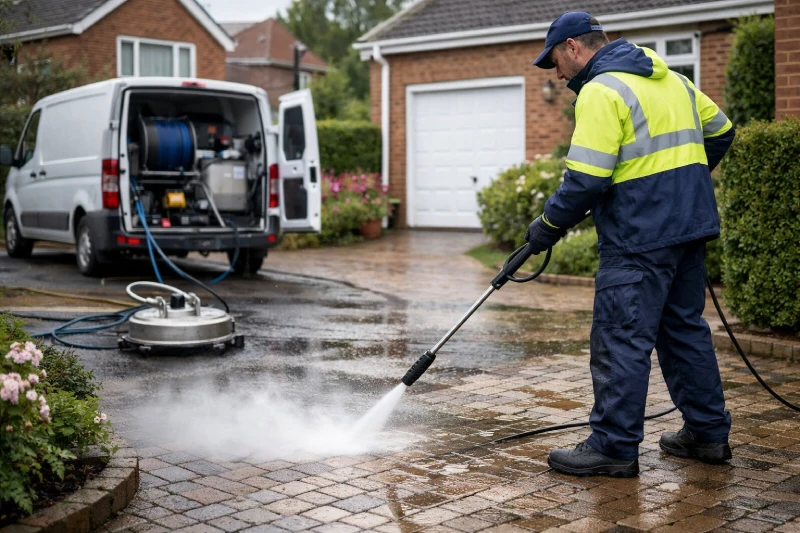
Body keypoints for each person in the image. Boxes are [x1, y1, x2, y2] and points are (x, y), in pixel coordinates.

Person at [526, 12, 736, 478]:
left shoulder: (602, 90)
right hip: (688, 228)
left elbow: (586, 178)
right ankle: (707, 434)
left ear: (575, 47)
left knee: (621, 338)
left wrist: (545, 226)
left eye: (556, 60)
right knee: (684, 331)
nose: (558, 74)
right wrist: (684, 186)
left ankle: (613, 446)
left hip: (638, 238)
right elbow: (721, 131)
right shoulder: (673, 80)